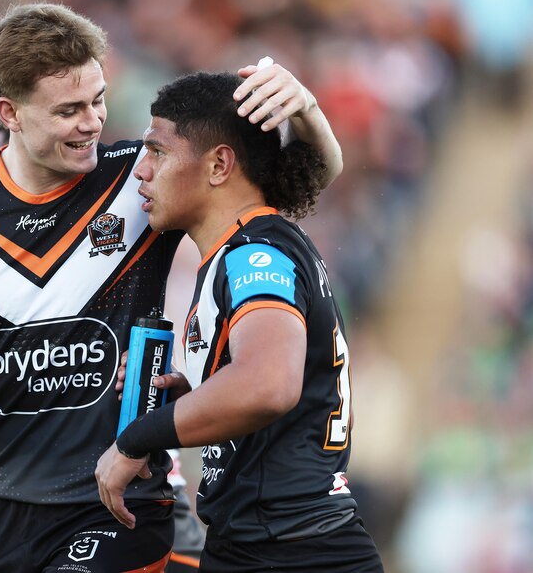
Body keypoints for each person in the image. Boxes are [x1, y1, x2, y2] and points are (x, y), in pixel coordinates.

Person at [0, 2, 343, 571]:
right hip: (4, 505)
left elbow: (287, 187)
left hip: (121, 499)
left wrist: (308, 111)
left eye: (98, 101)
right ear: (11, 112)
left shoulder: (140, 177)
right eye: (69, 110)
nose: (93, 122)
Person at [95, 71, 384, 572]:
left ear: (219, 165)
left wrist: (137, 438)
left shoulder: (254, 256)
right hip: (270, 543)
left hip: (291, 550)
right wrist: (198, 394)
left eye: (158, 152)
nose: (141, 170)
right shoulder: (253, 246)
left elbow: (268, 384)